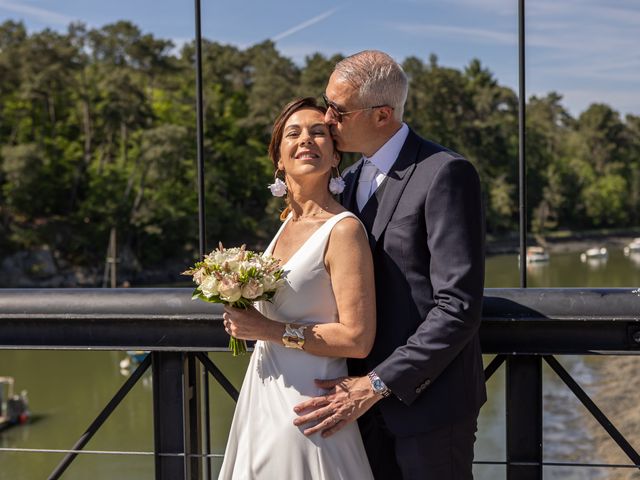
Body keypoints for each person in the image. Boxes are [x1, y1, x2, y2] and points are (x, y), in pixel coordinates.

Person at [293, 50, 486, 479]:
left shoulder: (445, 173)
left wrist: (378, 383)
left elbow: (457, 307)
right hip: (350, 407)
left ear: (382, 115)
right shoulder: (343, 182)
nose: (326, 118)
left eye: (338, 110)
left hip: (429, 409)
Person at [217, 97, 376, 479]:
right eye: (294, 133)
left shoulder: (344, 230)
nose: (307, 139)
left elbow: (357, 338)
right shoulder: (285, 226)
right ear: (279, 159)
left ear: (335, 156)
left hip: (309, 406)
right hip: (262, 397)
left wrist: (267, 330)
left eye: (319, 132)